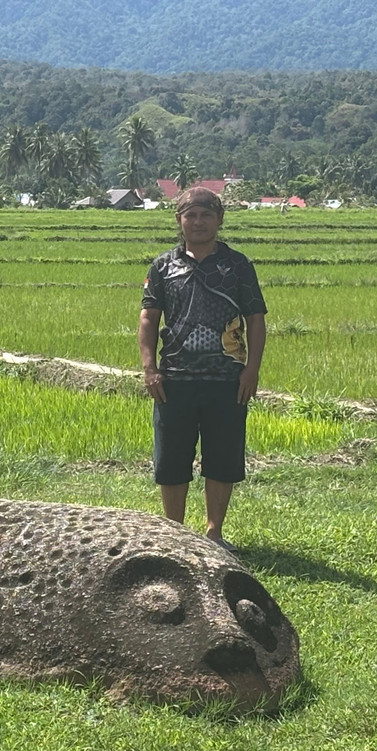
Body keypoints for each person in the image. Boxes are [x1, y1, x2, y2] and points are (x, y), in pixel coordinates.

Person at [138, 187, 267, 552]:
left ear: (219, 220)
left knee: (222, 458)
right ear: (179, 220)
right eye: (190, 215)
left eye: (205, 215)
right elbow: (148, 319)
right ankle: (175, 534)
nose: (198, 222)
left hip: (227, 378)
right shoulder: (163, 266)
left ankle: (213, 533)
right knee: (172, 459)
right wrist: (150, 368)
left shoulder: (238, 266)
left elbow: (255, 319)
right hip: (174, 379)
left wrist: (251, 369)